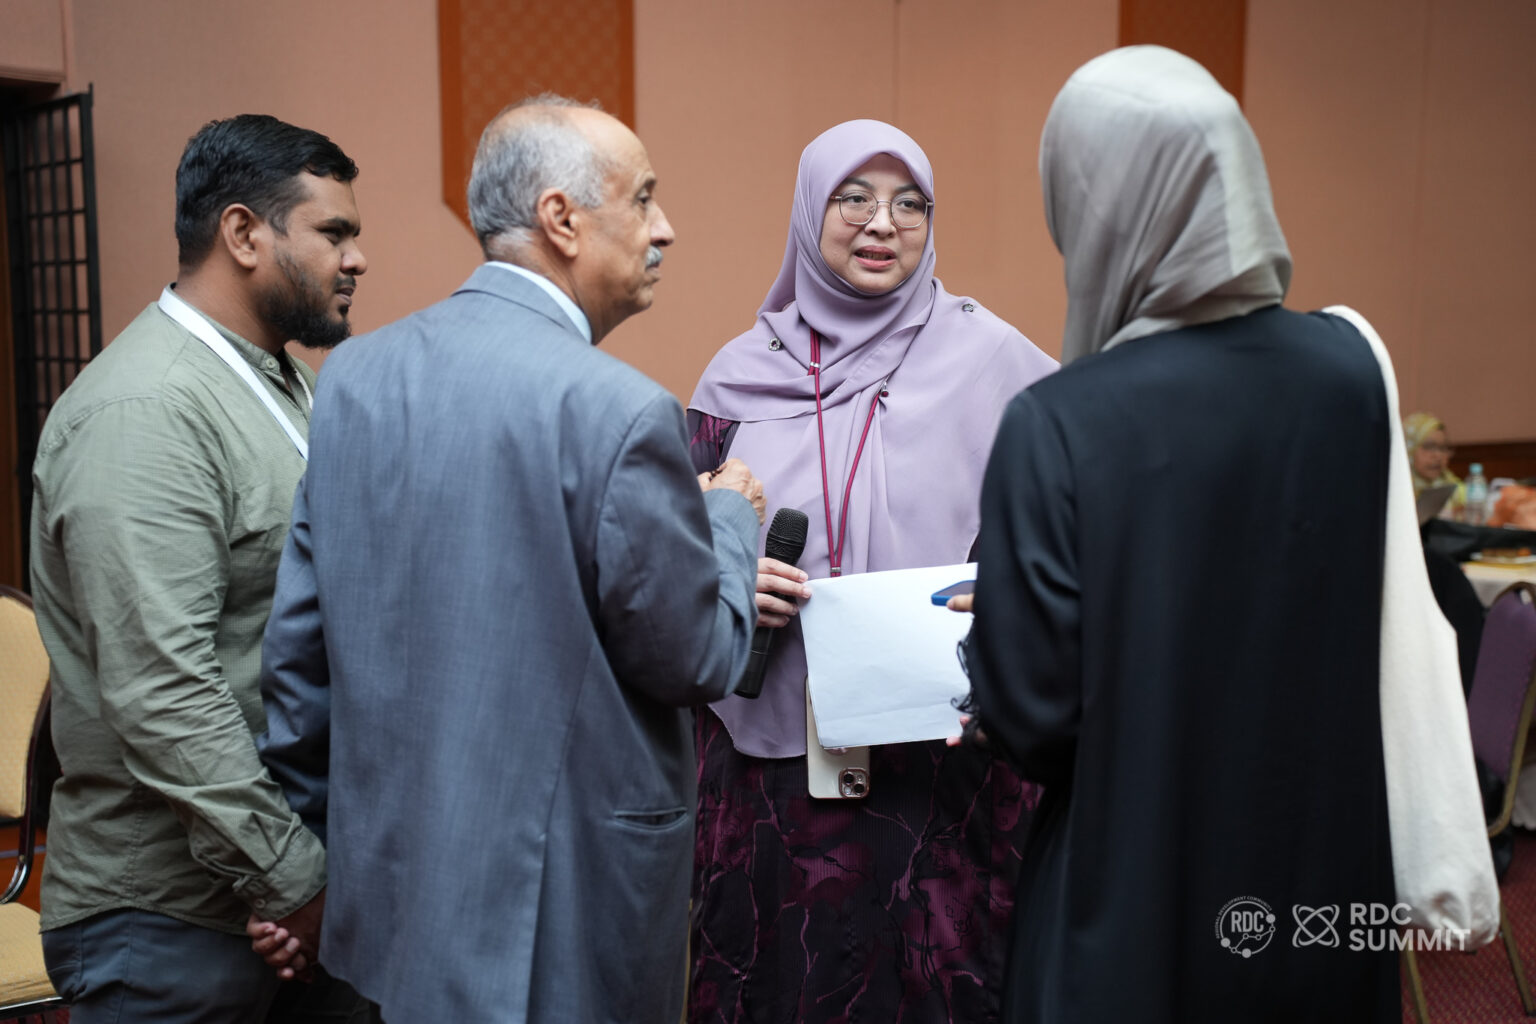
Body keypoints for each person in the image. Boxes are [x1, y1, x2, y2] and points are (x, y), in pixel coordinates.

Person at [958, 46, 1494, 1023]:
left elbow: (1034, 715)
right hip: (1324, 904)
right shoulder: (1351, 370)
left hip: (1137, 902)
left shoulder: (1059, 421)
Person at [249, 96, 765, 1023]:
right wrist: (727, 518)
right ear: (561, 219)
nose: (665, 229)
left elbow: (299, 658)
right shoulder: (619, 410)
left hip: (388, 902)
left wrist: (314, 862)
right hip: (562, 912)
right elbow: (697, 656)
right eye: (643, 199)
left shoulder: (355, 378)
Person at [685, 119, 1056, 1023]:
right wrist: (728, 576)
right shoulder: (740, 376)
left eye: (909, 204)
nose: (881, 223)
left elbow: (1069, 535)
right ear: (809, 212)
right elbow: (673, 552)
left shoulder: (998, 361)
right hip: (772, 759)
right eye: (852, 198)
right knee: (783, 984)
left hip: (941, 764)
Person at [29, 114, 371, 1022]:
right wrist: (296, 885)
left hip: (294, 892)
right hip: (171, 924)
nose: (357, 259)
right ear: (244, 233)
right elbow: (163, 690)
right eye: (333, 232)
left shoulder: (284, 385)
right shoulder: (146, 410)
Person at [1404, 411, 1466, 515]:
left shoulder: (1457, 490)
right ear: (1408, 449)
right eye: (1429, 447)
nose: (1438, 456)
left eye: (1443, 448)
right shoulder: (1397, 493)